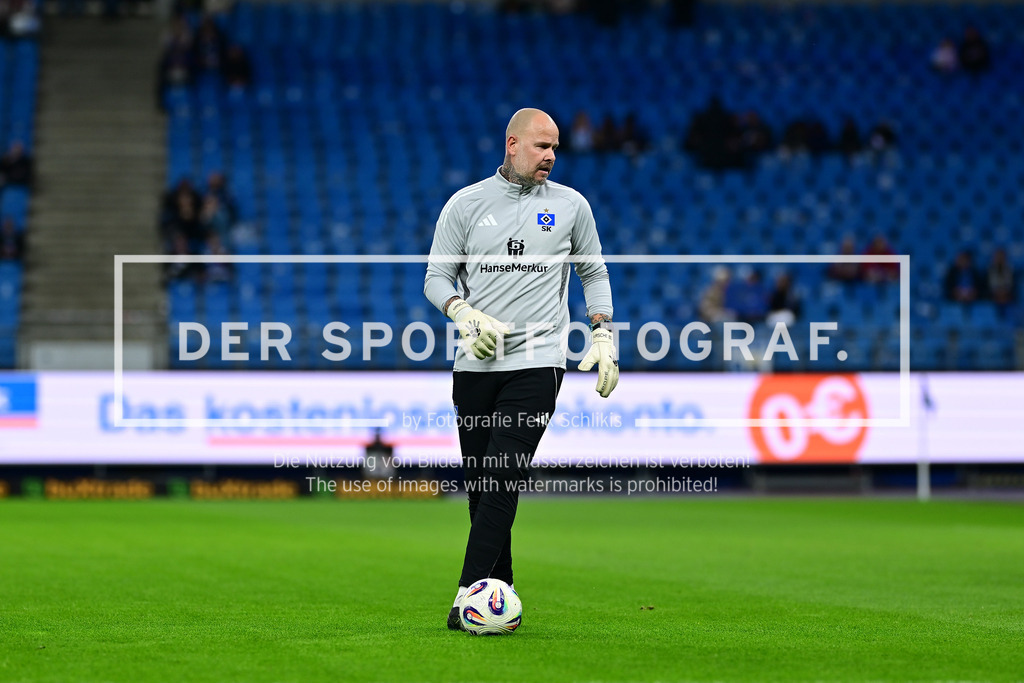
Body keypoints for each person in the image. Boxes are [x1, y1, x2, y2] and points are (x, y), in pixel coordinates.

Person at [424, 108, 617, 632]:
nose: (551, 155)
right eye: (540, 145)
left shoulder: (571, 206)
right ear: (511, 144)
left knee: (504, 474)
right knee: (482, 486)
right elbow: (436, 279)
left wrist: (602, 330)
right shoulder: (464, 205)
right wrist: (461, 312)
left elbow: (592, 272)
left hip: (538, 363)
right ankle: (500, 593)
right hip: (476, 364)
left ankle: (467, 595)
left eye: (555, 147)